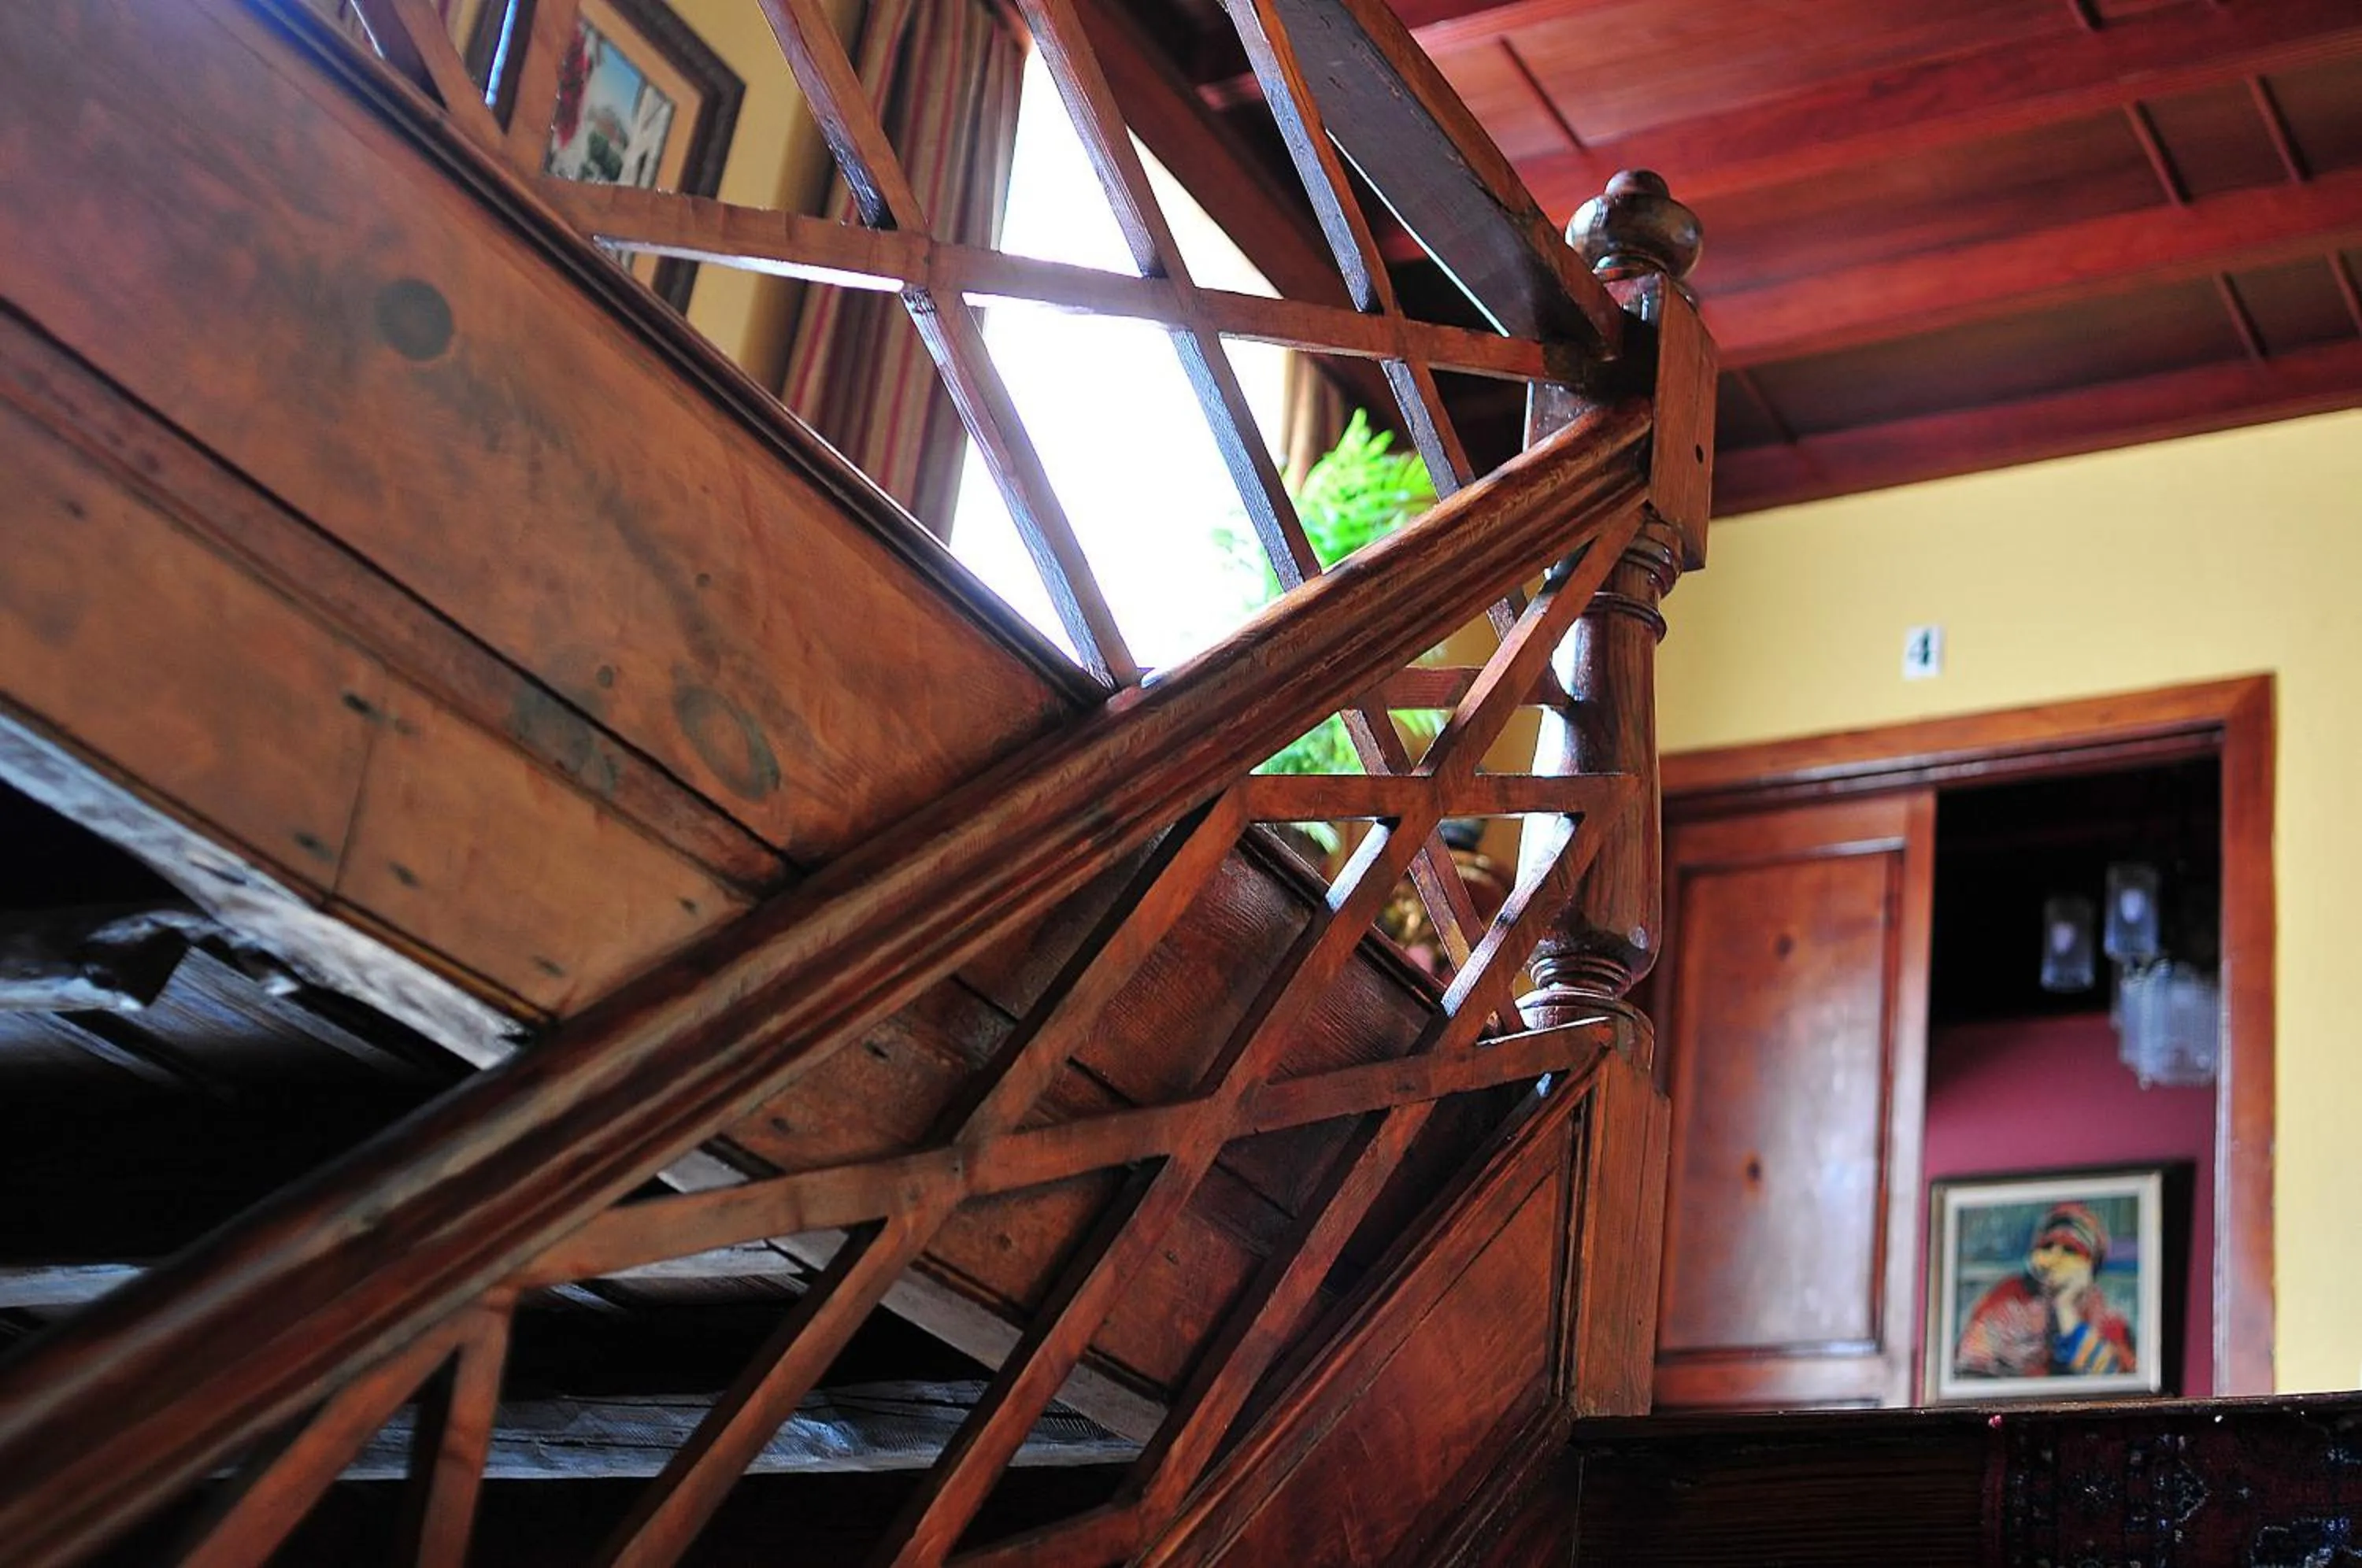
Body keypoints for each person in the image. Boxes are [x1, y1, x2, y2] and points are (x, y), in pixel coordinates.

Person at [1953, 1201, 2135, 1379]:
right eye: (2047, 1247)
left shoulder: (2105, 1316)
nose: (2055, 1257)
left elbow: (2111, 1379)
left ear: (2090, 1266)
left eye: (2070, 1251)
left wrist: (2065, 1306)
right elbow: (1970, 1362)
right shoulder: (2009, 1296)